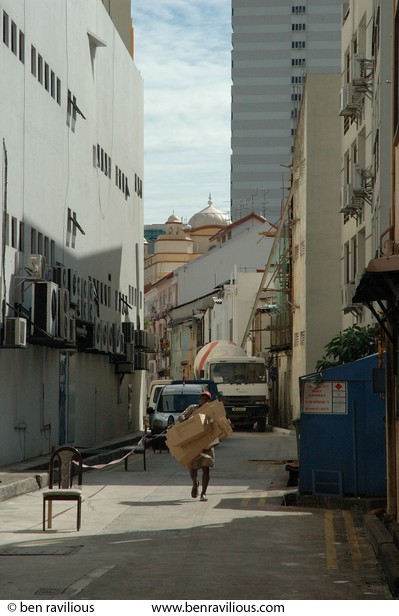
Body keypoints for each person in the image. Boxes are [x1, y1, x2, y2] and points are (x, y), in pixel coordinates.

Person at [178, 390, 215, 502]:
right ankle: (195, 482)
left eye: (206, 399)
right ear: (199, 400)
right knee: (193, 468)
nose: (204, 400)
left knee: (206, 468)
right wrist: (186, 420)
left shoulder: (212, 411)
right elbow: (181, 417)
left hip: (207, 444)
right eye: (202, 398)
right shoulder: (193, 408)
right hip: (194, 443)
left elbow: (217, 426)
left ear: (209, 401)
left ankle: (203, 493)